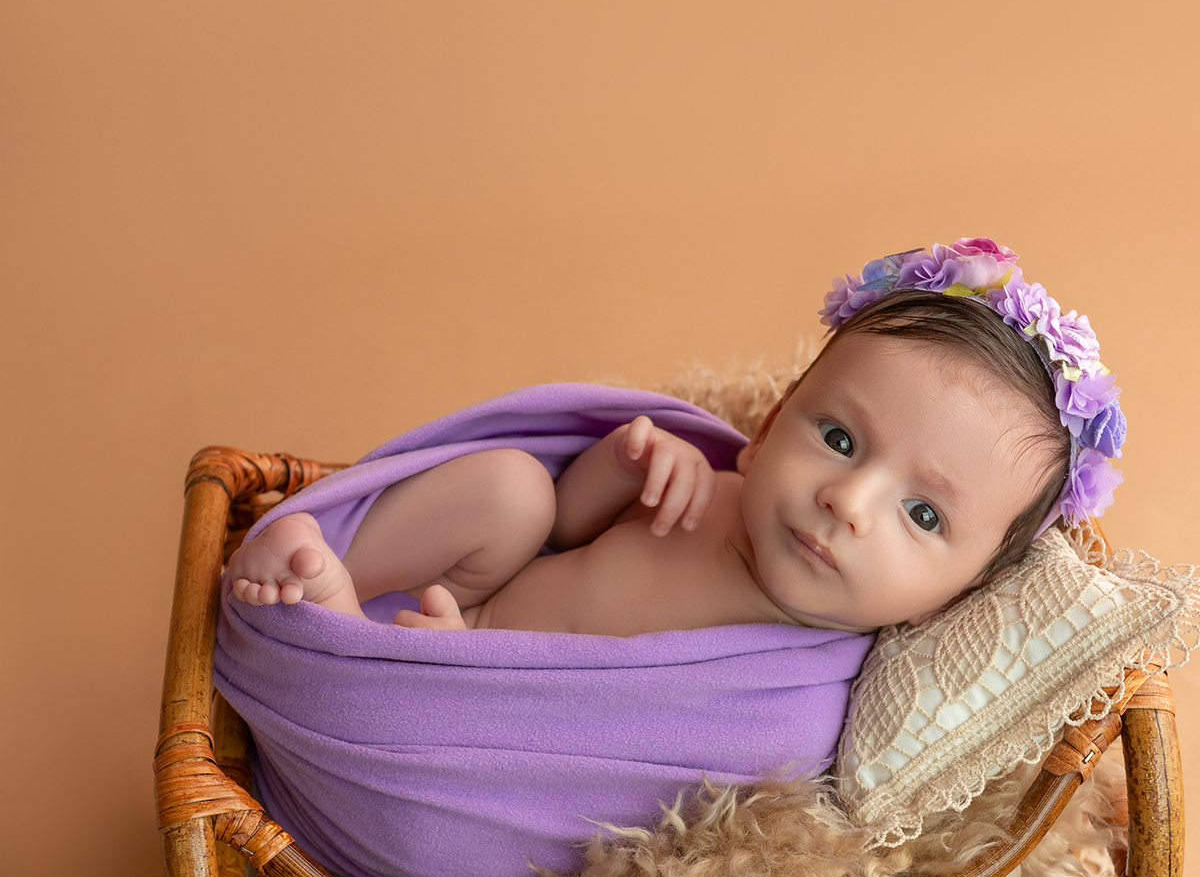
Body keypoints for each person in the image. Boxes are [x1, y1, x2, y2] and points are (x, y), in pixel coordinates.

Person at [227, 239, 1125, 640]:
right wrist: (627, 466)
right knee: (512, 489)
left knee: (429, 671)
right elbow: (565, 531)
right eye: (840, 439)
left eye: (923, 514)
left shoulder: (798, 676)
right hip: (471, 596)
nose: (847, 501)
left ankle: (340, 635)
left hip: (482, 692)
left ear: (958, 596)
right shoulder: (712, 491)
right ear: (768, 426)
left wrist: (463, 668)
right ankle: (340, 567)